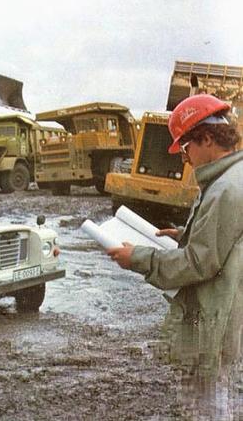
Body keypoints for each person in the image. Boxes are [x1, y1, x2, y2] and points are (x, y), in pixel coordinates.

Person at [107, 94, 243, 416]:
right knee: (216, 398)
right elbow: (229, 243)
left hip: (216, 317)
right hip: (225, 311)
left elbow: (199, 263)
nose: (184, 158)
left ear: (207, 138)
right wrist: (186, 235)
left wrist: (137, 258)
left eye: (185, 148)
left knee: (206, 405)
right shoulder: (230, 180)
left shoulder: (225, 189)